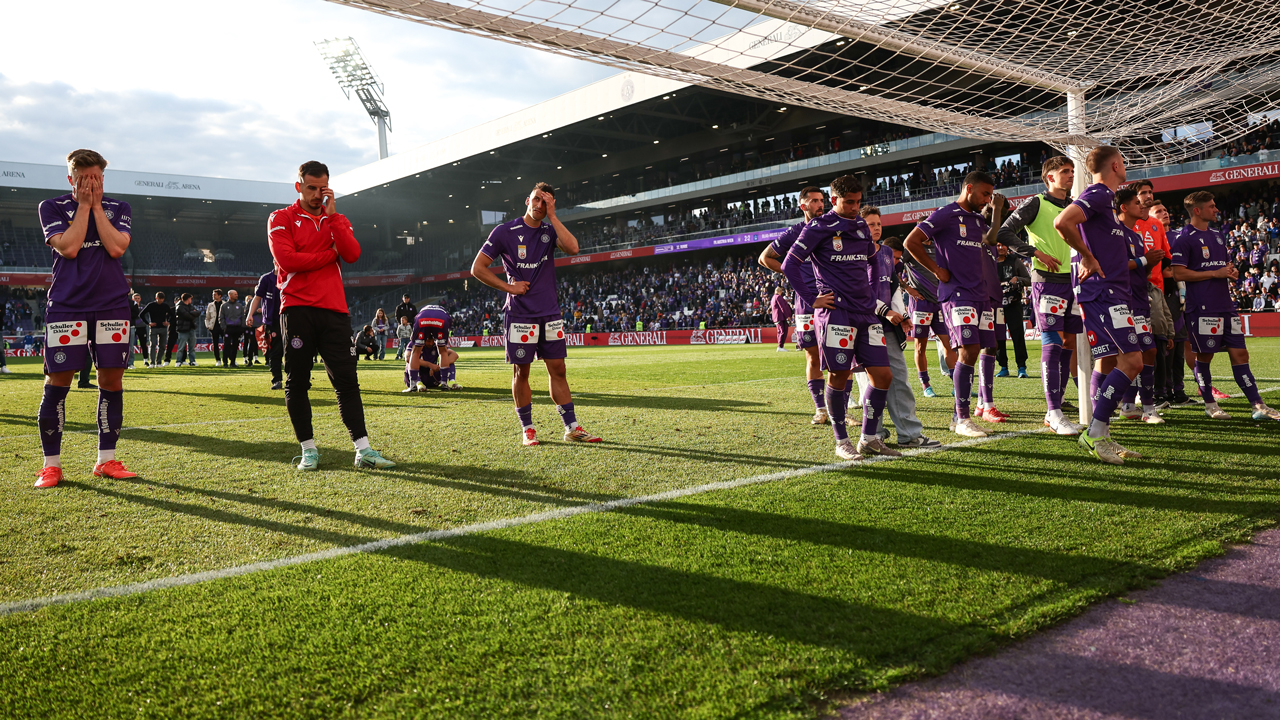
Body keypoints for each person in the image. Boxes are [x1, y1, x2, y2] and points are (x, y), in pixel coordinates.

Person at [268, 160, 394, 470]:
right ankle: (309, 450)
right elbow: (287, 259)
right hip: (296, 308)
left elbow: (352, 254)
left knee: (347, 382)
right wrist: (328, 255)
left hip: (335, 311)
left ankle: (363, 450)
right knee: (297, 382)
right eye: (310, 188)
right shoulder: (280, 218)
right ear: (299, 186)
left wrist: (333, 215)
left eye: (321, 188)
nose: (315, 194)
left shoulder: (336, 219)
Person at [33, 148, 137, 488]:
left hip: (112, 306)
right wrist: (83, 206)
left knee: (111, 382)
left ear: (103, 178)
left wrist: (96, 208)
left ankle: (106, 460)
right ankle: (52, 466)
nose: (90, 184)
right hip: (67, 305)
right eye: (83, 180)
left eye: (95, 178)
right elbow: (70, 247)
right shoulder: (51, 207)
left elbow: (117, 247)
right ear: (70, 180)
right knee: (58, 383)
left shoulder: (120, 208)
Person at [470, 182, 602, 446]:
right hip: (520, 315)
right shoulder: (505, 231)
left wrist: (553, 216)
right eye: (537, 200)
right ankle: (528, 429)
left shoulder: (549, 230)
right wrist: (508, 287)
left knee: (559, 369)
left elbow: (574, 248)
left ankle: (571, 427)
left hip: (549, 313)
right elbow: (478, 267)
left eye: (546, 202)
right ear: (526, 200)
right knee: (522, 372)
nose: (540, 206)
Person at [782, 174, 895, 460]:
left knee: (883, 375)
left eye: (858, 202)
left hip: (865, 312)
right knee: (839, 374)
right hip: (836, 314)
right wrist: (812, 298)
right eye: (849, 202)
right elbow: (789, 265)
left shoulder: (859, 225)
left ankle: (869, 438)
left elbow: (872, 258)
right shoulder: (818, 227)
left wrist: (871, 293)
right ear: (834, 200)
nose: (856, 207)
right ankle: (841, 440)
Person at [1051, 145, 1145, 464]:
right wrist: (1088, 257)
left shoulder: (1106, 201)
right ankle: (1094, 432)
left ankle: (1100, 433)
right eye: (1125, 162)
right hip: (1102, 293)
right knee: (1133, 362)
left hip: (1109, 292)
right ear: (1116, 165)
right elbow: (1062, 222)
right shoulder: (1100, 194)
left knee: (1106, 362)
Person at [904, 171, 1002, 439]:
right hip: (956, 293)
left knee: (976, 351)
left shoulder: (978, 219)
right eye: (984, 194)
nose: (987, 199)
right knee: (968, 350)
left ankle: (958, 415)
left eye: (990, 195)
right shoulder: (945, 214)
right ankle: (962, 418)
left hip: (980, 293)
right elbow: (910, 242)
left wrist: (996, 214)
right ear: (968, 188)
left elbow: (991, 243)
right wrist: (936, 269)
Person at [1170, 190, 1280, 422]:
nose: (1217, 209)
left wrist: (1228, 272)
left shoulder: (1218, 235)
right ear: (1197, 210)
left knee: (1241, 353)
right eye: (1211, 206)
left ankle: (1258, 405)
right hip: (1202, 308)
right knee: (1205, 356)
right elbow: (1178, 272)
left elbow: (1222, 266)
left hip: (1226, 305)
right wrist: (1214, 272)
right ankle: (1210, 404)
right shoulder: (1184, 238)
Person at [998, 156, 1085, 435]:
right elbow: (1003, 231)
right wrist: (1035, 253)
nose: (1070, 175)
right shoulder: (1036, 202)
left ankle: (1055, 408)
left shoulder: (1074, 206)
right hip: (1046, 282)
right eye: (1064, 172)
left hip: (1073, 281)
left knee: (1069, 340)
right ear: (1049, 178)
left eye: (1072, 171)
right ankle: (1055, 412)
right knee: (1052, 341)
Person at [859, 209, 938, 448]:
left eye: (878, 224)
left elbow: (893, 287)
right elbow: (859, 291)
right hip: (864, 326)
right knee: (871, 382)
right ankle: (875, 432)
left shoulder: (885, 253)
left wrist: (902, 315)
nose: (876, 228)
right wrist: (886, 311)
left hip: (888, 326)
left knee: (899, 378)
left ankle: (909, 434)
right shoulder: (853, 254)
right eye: (870, 224)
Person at [758, 186, 832, 423]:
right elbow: (764, 258)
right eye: (815, 201)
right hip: (805, 301)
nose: (821, 205)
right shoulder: (795, 232)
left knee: (839, 355)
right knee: (813, 357)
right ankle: (820, 410)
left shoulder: (833, 227)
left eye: (823, 200)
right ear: (804, 206)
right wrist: (793, 271)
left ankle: (840, 410)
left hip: (831, 299)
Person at [1113, 187, 1166, 424]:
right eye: (1137, 202)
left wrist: (1148, 263)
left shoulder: (1134, 235)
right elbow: (1116, 267)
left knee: (1148, 350)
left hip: (1140, 297)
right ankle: (1136, 405)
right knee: (1133, 353)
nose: (1142, 205)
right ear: (1124, 208)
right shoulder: (1115, 234)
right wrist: (1146, 260)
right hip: (1123, 301)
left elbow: (1138, 267)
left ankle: (1139, 406)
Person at [1131, 185, 1175, 408]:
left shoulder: (1157, 225)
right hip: (1130, 289)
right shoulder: (1127, 222)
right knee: (1133, 345)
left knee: (1155, 344)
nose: (1148, 197)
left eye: (1150, 192)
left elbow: (1166, 258)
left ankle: (1154, 394)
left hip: (1155, 289)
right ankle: (1133, 396)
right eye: (1143, 193)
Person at [405, 304, 461, 392]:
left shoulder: (421, 313)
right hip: (441, 319)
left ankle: (413, 386)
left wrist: (414, 337)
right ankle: (444, 383)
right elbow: (449, 324)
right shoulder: (445, 313)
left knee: (415, 352)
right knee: (443, 352)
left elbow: (412, 337)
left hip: (422, 319)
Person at [995, 244, 1031, 378]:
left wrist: (1018, 279)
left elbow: (1029, 280)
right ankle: (1003, 367)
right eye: (998, 245)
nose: (1001, 248)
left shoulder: (1015, 260)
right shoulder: (989, 261)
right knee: (999, 337)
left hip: (1014, 304)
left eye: (1003, 245)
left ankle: (1022, 367)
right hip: (996, 306)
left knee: (1018, 336)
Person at [246, 270, 283, 389]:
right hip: (272, 321)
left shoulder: (291, 275)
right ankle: (277, 379)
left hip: (291, 319)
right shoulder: (266, 279)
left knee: (294, 350)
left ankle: (296, 380)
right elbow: (257, 298)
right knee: (275, 351)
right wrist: (250, 314)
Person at [141, 292, 172, 368]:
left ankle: (158, 362)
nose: (160, 300)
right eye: (159, 299)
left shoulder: (165, 306)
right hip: (154, 328)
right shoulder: (151, 305)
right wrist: (148, 323)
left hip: (163, 328)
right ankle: (152, 363)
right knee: (152, 345)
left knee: (162, 346)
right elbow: (141, 314)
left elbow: (172, 315)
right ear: (156, 298)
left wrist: (168, 322)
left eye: (162, 299)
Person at [219, 289, 246, 367]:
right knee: (226, 345)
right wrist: (224, 327)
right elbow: (221, 317)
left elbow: (243, 317)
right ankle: (225, 362)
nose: (237, 295)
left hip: (237, 328)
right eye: (235, 294)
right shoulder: (224, 306)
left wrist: (242, 327)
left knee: (235, 346)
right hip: (228, 328)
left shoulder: (240, 306)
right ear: (230, 295)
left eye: (237, 294)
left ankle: (233, 362)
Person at [173, 293, 200, 366]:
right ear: (188, 299)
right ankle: (178, 361)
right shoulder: (179, 306)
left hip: (191, 328)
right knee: (181, 347)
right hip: (183, 329)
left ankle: (192, 361)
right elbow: (187, 316)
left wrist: (191, 313)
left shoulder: (190, 306)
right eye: (190, 298)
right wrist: (192, 313)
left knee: (192, 347)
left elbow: (198, 312)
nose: (191, 300)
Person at [205, 288, 225, 367]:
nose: (213, 296)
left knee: (227, 344)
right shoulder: (210, 305)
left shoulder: (225, 304)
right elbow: (207, 317)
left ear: (219, 296)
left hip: (223, 327)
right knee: (215, 344)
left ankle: (228, 359)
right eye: (213, 294)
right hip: (214, 327)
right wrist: (208, 326)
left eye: (215, 294)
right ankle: (218, 360)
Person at [770, 287, 792, 351]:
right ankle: (780, 346)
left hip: (777, 316)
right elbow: (783, 307)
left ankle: (780, 346)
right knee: (783, 331)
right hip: (780, 316)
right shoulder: (778, 297)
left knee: (780, 331)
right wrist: (787, 315)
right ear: (779, 291)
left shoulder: (773, 297)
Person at [132, 292, 148, 368]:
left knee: (143, 344)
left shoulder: (144, 307)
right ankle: (130, 362)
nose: (137, 300)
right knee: (130, 345)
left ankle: (146, 360)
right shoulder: (130, 307)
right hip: (133, 327)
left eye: (138, 298)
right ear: (133, 299)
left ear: (140, 299)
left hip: (142, 327)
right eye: (135, 298)